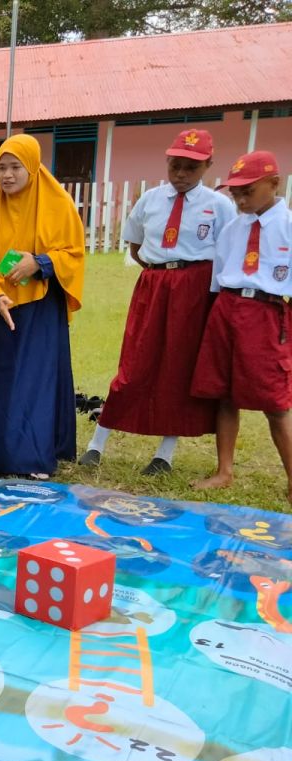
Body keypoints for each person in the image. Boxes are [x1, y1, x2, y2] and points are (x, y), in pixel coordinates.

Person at [81, 130, 235, 474]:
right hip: (153, 284)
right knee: (135, 362)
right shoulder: (150, 200)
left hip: (196, 290)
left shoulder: (219, 206)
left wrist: (192, 283)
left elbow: (228, 252)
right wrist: (159, 275)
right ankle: (97, 443)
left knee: (178, 365)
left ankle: (165, 452)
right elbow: (135, 245)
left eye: (190, 168)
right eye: (175, 166)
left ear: (208, 165)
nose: (181, 174)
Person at [0, 134, 85, 478]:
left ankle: (29, 457)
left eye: (15, 167)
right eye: (1, 167)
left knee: (33, 381)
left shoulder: (59, 204)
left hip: (39, 308)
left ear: (32, 167)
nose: (7, 175)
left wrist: (39, 263)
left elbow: (72, 253)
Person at [190, 151, 292, 504]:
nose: (240, 199)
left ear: (274, 184)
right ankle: (224, 471)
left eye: (249, 191)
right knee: (225, 392)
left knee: (275, 402)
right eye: (235, 193)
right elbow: (218, 278)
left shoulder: (288, 227)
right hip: (227, 309)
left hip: (266, 312)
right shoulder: (233, 229)